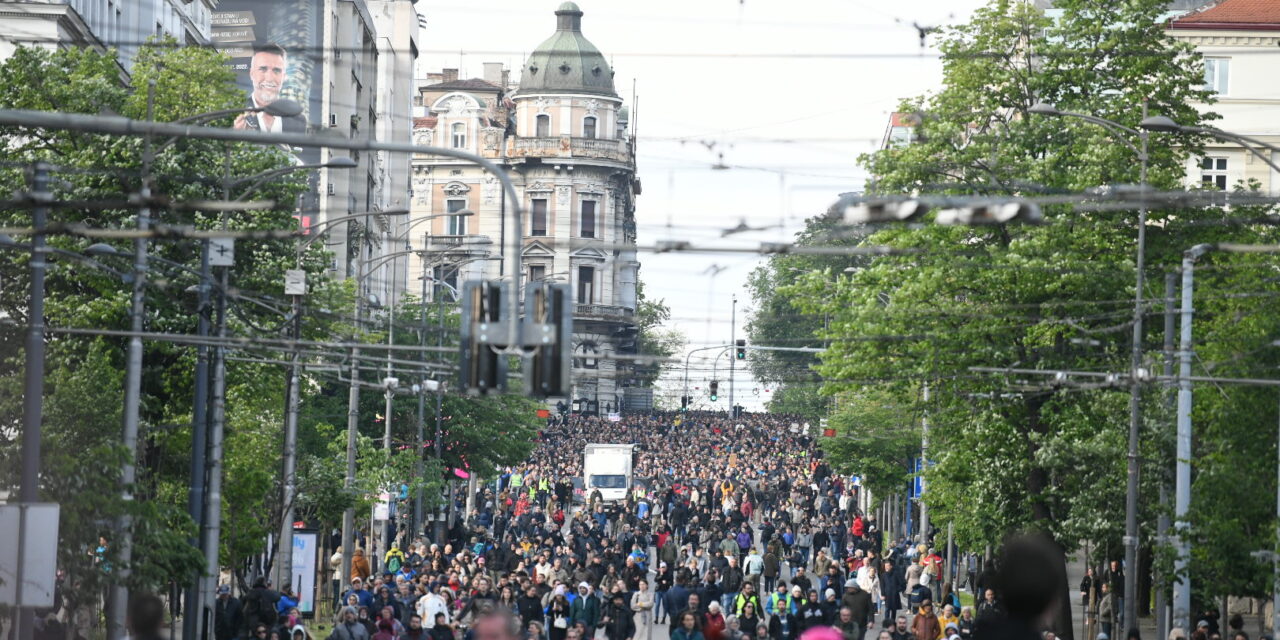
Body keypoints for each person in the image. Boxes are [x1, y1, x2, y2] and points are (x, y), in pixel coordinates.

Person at [234, 43, 306, 133]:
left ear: (283, 77)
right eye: (263, 69)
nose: (269, 78)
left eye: (276, 70)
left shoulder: (298, 121)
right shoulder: (233, 112)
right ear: (251, 74)